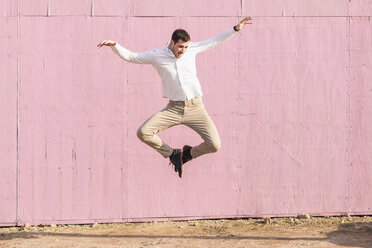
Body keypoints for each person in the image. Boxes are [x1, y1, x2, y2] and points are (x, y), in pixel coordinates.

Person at [98, 17, 253, 178]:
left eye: (185, 47)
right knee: (143, 132)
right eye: (180, 46)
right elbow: (132, 57)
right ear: (172, 43)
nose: (183, 50)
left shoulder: (191, 49)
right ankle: (172, 154)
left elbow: (214, 41)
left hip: (196, 108)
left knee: (214, 145)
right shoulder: (157, 55)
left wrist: (235, 29)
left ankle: (186, 155)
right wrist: (115, 46)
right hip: (174, 108)